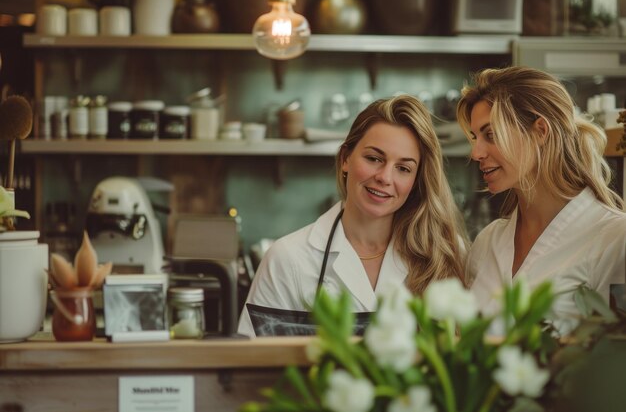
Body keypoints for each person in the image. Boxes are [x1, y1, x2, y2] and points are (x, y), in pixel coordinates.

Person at [238, 94, 469, 336]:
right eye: (374, 158)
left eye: (403, 168)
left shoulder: (447, 255)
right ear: (345, 158)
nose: (385, 177)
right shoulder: (288, 259)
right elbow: (251, 363)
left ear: (416, 180)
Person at [457, 66, 626, 333]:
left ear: (540, 131)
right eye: (475, 137)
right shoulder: (487, 242)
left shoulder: (614, 239)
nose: (476, 152)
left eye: (491, 135)